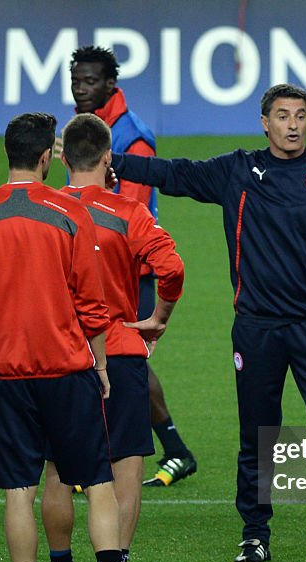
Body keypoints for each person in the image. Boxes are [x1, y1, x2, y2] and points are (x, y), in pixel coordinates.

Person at [113, 83, 306, 562]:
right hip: (256, 328)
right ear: (265, 123)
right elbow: (174, 174)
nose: (292, 125)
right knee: (259, 433)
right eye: (282, 116)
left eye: (300, 115)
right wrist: (113, 163)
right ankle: (254, 533)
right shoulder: (237, 171)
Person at [0, 112, 148, 562]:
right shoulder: (68, 214)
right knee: (99, 482)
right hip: (68, 369)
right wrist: (102, 363)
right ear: (45, 158)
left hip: (8, 376)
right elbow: (91, 299)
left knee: (21, 491)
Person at [41, 112, 185, 562]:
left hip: (59, 355)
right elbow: (171, 268)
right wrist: (158, 318)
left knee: (59, 468)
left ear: (63, 157)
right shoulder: (129, 213)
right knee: (125, 466)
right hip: (120, 350)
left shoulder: (42, 212)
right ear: (108, 157)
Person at [70, 44, 198, 487]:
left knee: (123, 361)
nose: (81, 88)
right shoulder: (90, 129)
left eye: (90, 81)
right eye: (76, 80)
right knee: (116, 359)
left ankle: (156, 450)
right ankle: (175, 449)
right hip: (97, 262)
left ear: (110, 85)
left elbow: (130, 212)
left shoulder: (133, 136)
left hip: (128, 272)